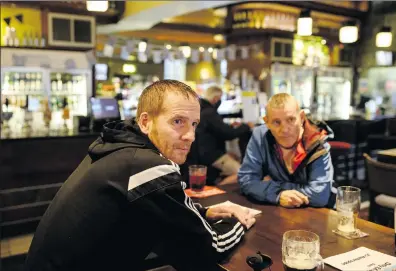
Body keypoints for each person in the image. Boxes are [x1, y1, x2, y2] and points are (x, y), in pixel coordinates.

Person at [25, 80, 255, 271]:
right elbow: (208, 247)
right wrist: (239, 220)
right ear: (145, 122)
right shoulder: (147, 165)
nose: (190, 136)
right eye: (178, 122)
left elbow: (158, 215)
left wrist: (206, 212)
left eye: (194, 124)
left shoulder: (119, 147)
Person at [238, 93, 335, 208]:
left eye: (291, 120)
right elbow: (246, 180)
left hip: (322, 213)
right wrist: (278, 194)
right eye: (276, 122)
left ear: (302, 117)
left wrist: (270, 187)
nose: (284, 129)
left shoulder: (317, 142)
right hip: (280, 212)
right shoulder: (260, 136)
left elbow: (319, 196)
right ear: (267, 122)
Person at [192, 86, 254, 185]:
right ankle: (215, 191)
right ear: (215, 98)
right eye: (219, 98)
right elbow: (228, 134)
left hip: (205, 154)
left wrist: (230, 126)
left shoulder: (202, 110)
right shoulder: (210, 113)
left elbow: (217, 129)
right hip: (213, 156)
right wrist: (246, 126)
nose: (219, 101)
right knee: (243, 174)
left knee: (235, 158)